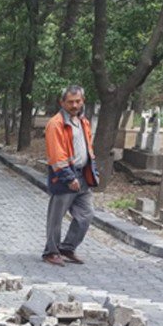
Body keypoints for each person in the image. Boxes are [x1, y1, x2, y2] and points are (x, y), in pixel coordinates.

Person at [42, 85, 100, 266]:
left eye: (78, 101)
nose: (74, 105)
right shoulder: (56, 123)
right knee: (56, 217)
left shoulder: (84, 122)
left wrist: (93, 171)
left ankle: (67, 247)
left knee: (86, 214)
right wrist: (69, 177)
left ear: (83, 101)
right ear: (62, 102)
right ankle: (51, 251)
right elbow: (56, 155)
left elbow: (88, 149)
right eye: (70, 102)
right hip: (65, 175)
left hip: (83, 175)